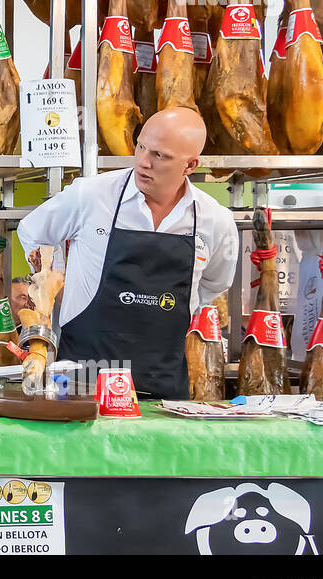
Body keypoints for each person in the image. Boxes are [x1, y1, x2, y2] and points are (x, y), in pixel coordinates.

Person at [15, 108, 238, 399]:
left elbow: (214, 284)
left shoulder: (214, 221)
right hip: (83, 385)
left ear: (190, 165)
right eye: (141, 146)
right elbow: (33, 231)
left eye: (160, 155)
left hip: (163, 391)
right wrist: (59, 284)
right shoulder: (91, 196)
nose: (143, 162)